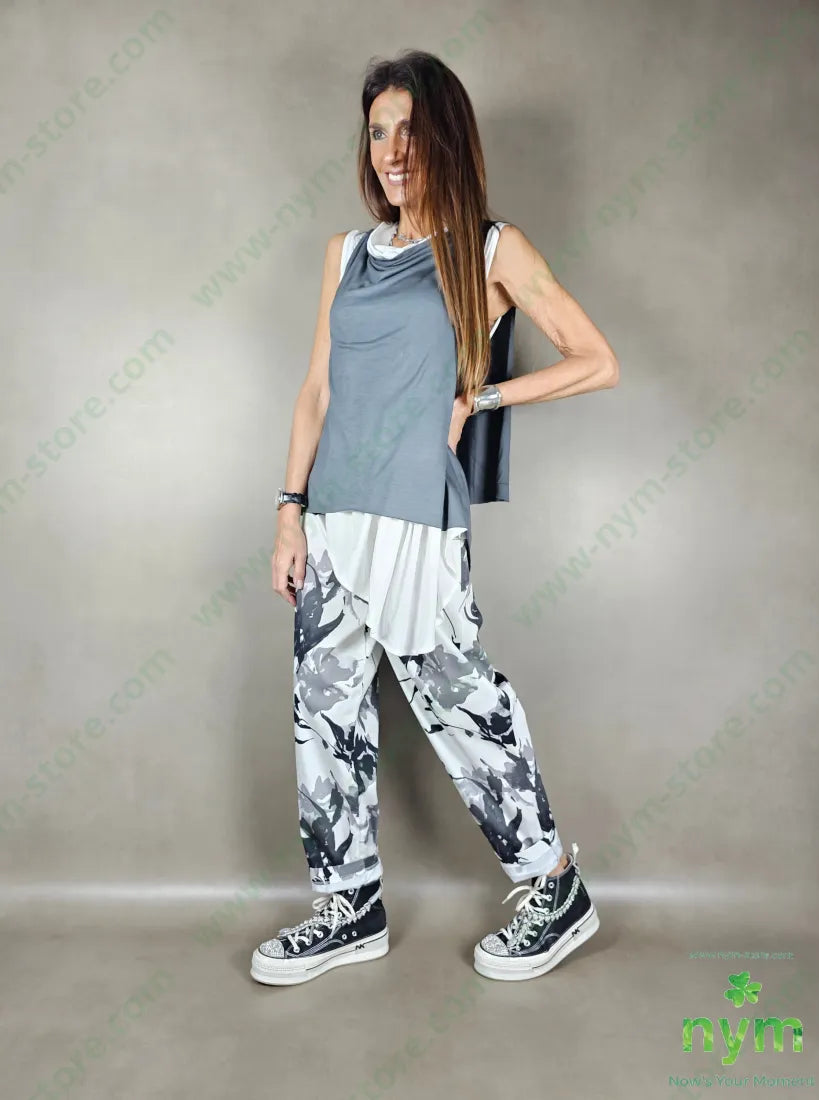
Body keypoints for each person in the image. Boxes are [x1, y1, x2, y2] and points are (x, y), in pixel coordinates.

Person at [250, 49, 619, 987]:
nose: (391, 151)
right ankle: (350, 906)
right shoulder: (346, 254)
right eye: (377, 132)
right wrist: (289, 512)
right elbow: (316, 390)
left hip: (417, 518)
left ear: (445, 137)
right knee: (324, 713)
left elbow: (595, 359)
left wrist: (479, 398)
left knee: (461, 704)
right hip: (331, 516)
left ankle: (556, 887)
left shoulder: (488, 249)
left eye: (409, 131)